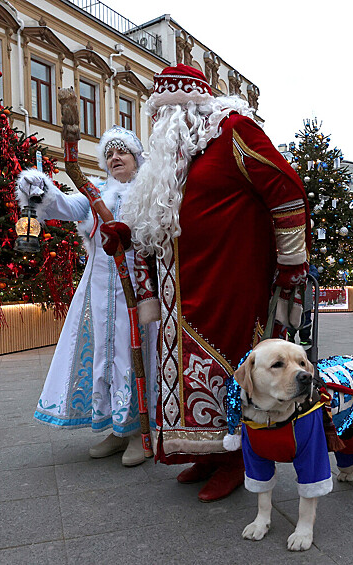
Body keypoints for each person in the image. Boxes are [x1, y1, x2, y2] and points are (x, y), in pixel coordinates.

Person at [119, 64, 310, 502]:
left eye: (169, 112)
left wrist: (290, 264)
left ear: (191, 106)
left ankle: (236, 457)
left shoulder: (233, 132)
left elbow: (287, 189)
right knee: (184, 375)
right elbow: (155, 219)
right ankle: (202, 452)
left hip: (231, 283)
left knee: (231, 369)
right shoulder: (174, 156)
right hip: (177, 291)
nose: (162, 123)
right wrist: (125, 235)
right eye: (158, 114)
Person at [17, 126, 158, 468]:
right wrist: (39, 188)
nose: (115, 158)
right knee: (102, 357)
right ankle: (117, 428)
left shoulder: (150, 193)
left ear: (137, 158)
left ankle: (143, 431)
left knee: (132, 357)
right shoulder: (95, 195)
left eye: (121, 152)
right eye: (109, 154)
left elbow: (161, 235)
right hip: (96, 293)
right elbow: (63, 206)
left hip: (137, 293)